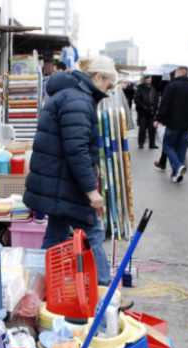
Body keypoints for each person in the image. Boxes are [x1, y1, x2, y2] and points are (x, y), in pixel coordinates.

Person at [23, 56, 117, 287]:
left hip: (57, 182)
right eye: (108, 86)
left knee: (56, 236)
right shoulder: (79, 100)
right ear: (97, 77)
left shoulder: (69, 94)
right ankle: (104, 289)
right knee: (92, 231)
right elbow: (77, 150)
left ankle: (39, 288)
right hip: (65, 183)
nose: (108, 91)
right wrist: (90, 190)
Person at [154, 66, 188, 182]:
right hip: (187, 124)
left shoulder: (171, 86)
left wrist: (159, 118)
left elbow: (164, 104)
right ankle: (176, 175)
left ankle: (177, 166)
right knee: (182, 147)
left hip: (173, 122)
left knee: (167, 145)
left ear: (178, 74)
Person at [134, 76, 160, 149]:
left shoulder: (152, 89)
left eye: (150, 80)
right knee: (142, 128)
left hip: (152, 112)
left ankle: (152, 144)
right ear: (144, 80)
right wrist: (144, 107)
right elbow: (137, 100)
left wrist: (155, 108)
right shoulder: (140, 89)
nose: (148, 81)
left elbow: (156, 99)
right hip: (143, 113)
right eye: (147, 80)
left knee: (152, 129)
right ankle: (141, 143)